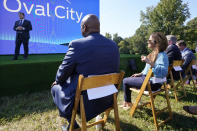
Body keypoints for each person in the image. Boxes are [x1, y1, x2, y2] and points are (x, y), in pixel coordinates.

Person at [51, 14, 119, 130]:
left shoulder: (77, 45)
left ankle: (74, 126)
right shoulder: (114, 45)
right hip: (109, 98)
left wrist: (57, 81)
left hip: (85, 103)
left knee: (55, 87)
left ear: (84, 27)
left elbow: (62, 74)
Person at [120, 32, 169, 109]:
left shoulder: (162, 55)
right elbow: (148, 70)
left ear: (156, 43)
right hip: (151, 81)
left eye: (149, 40)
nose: (147, 41)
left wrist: (149, 62)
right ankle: (127, 102)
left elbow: (163, 72)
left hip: (152, 83)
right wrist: (140, 73)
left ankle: (128, 103)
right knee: (129, 79)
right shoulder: (155, 54)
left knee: (125, 80)